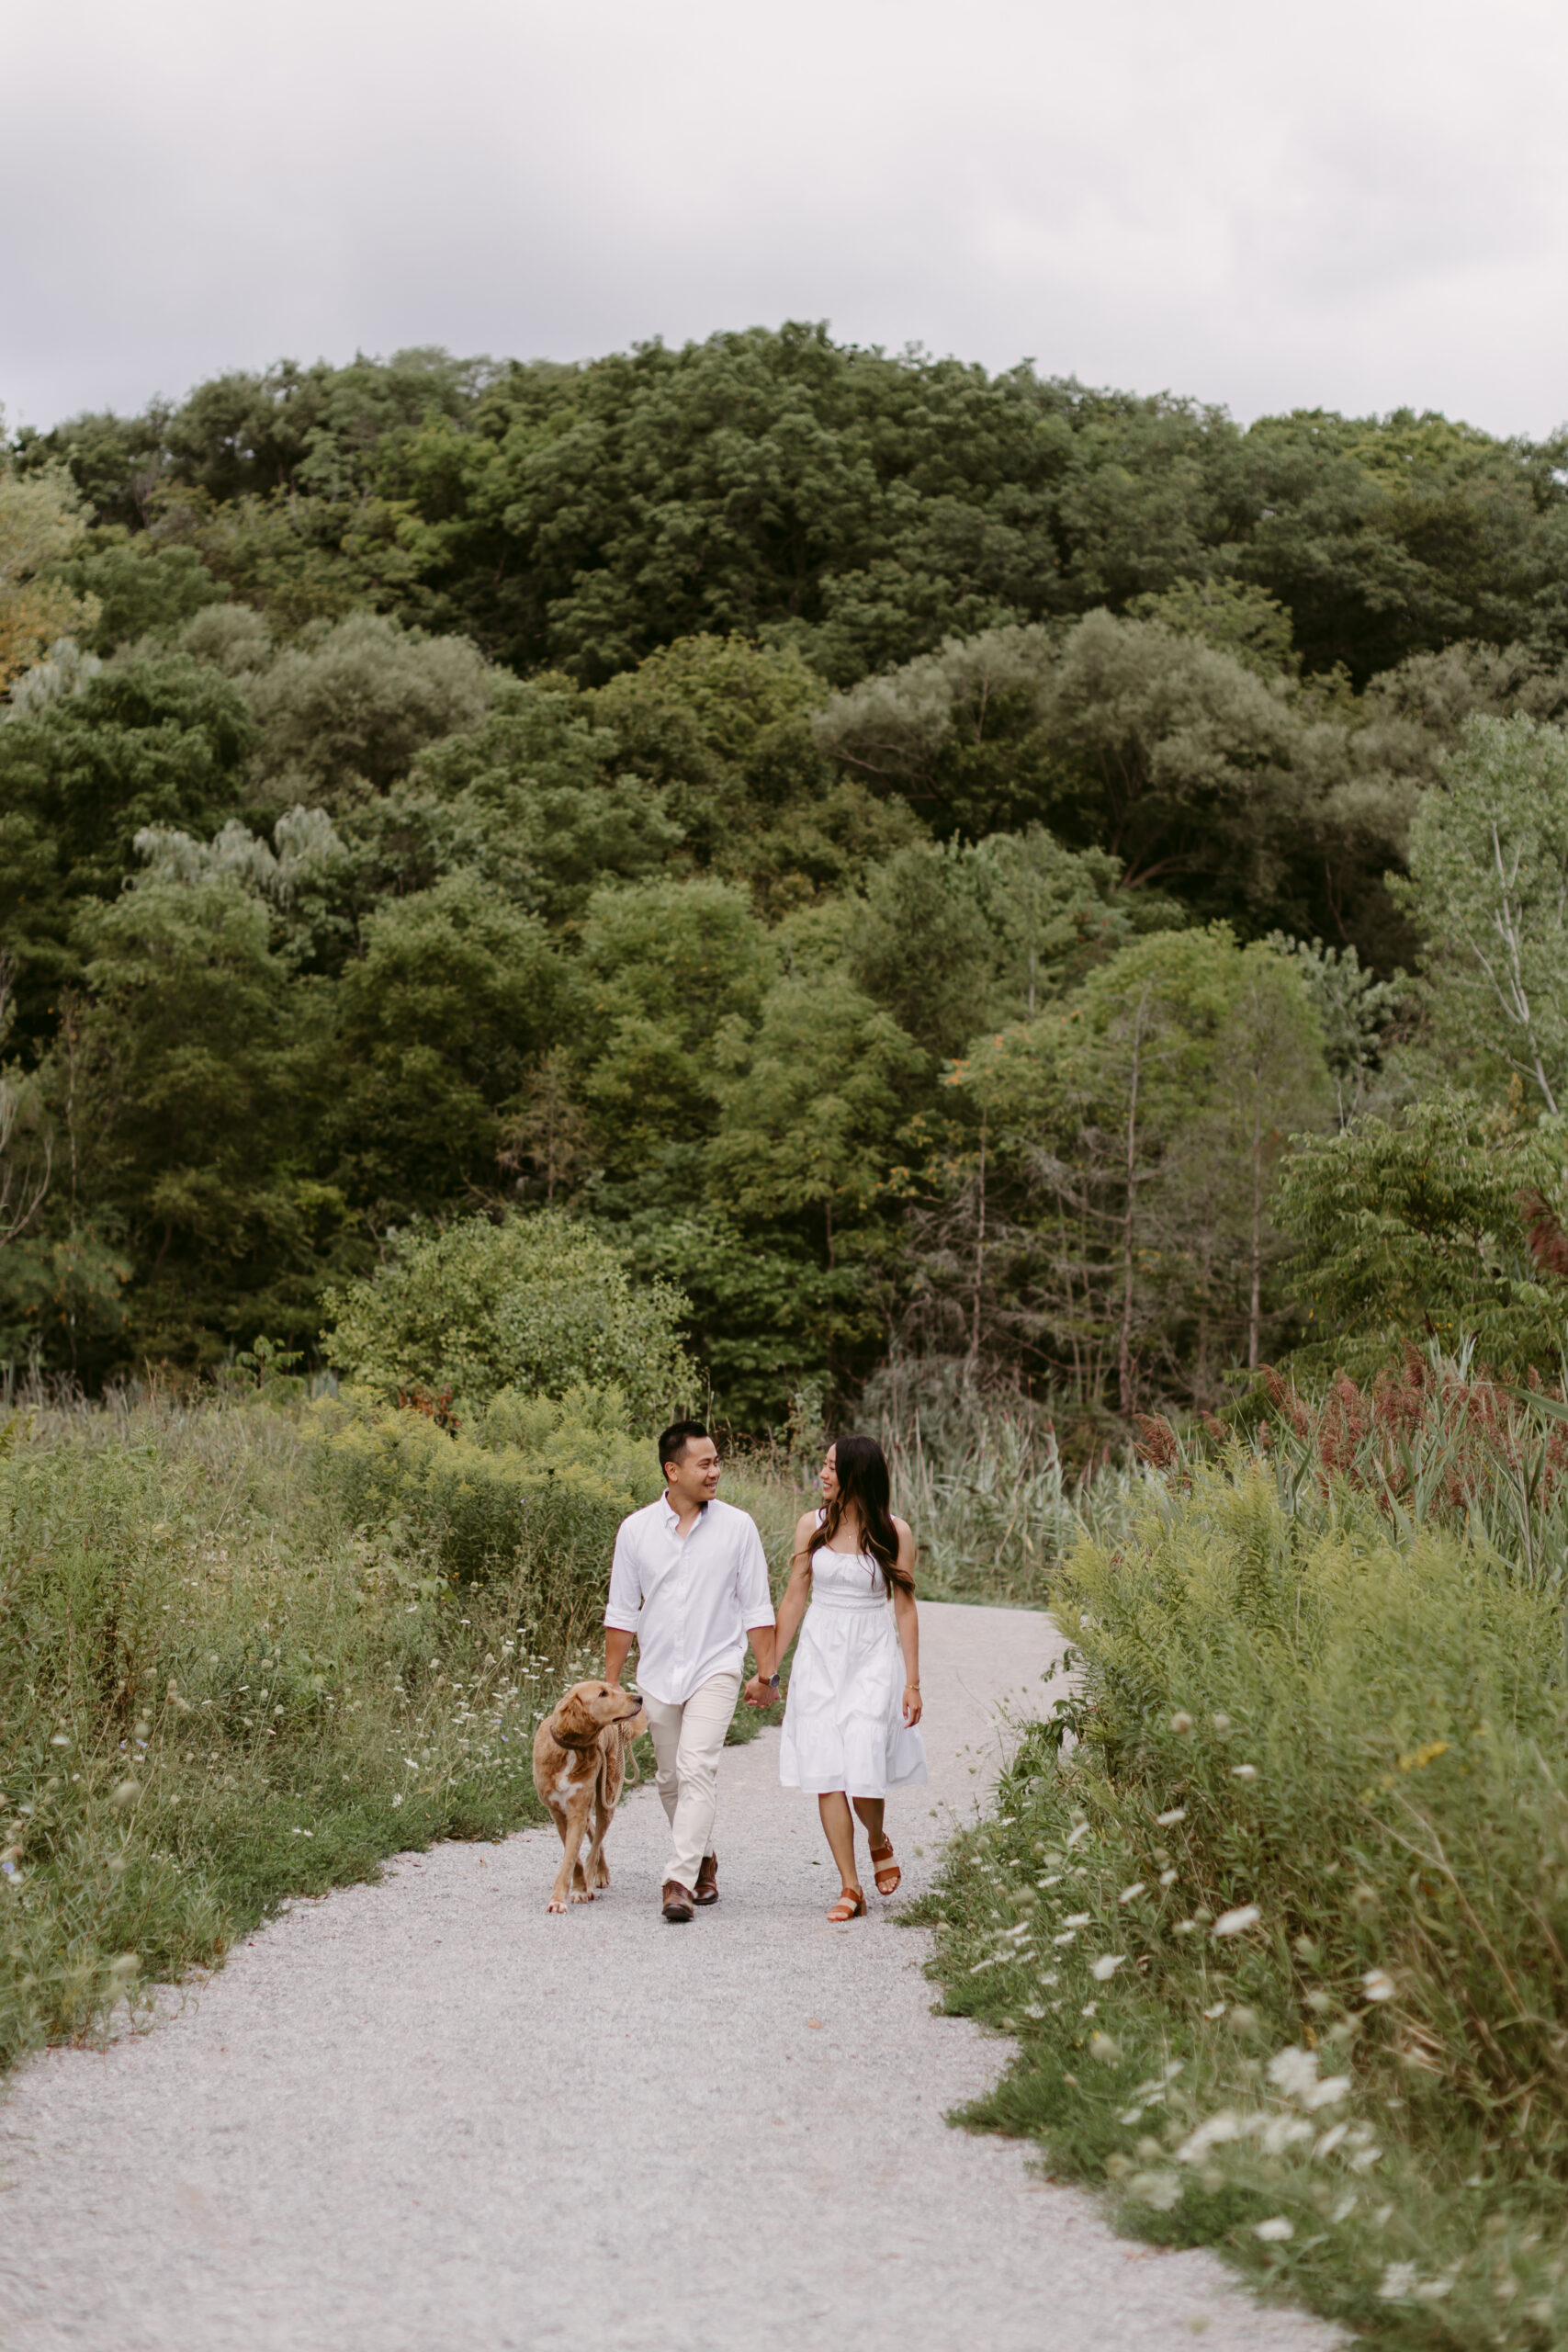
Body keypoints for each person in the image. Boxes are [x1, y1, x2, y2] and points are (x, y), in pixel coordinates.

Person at [604, 1419, 778, 1924]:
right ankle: (703, 1858)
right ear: (672, 1470)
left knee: (698, 1765)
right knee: (668, 1777)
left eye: (717, 1461)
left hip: (716, 1667)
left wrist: (766, 1676)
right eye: (705, 1463)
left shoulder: (738, 1527)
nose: (716, 1472)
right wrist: (612, 1688)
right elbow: (621, 1614)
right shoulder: (636, 1530)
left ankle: (677, 1880)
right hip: (656, 1672)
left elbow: (757, 1608)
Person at [749, 1433, 925, 1921]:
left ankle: (875, 1837)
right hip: (822, 1655)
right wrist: (769, 1672)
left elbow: (906, 1610)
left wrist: (912, 1682)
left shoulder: (894, 1532)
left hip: (872, 1655)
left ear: (856, 1475)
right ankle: (850, 1887)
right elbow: (793, 1599)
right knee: (828, 1768)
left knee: (865, 1757)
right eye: (822, 1465)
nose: (822, 1475)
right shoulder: (813, 1525)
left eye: (831, 1467)